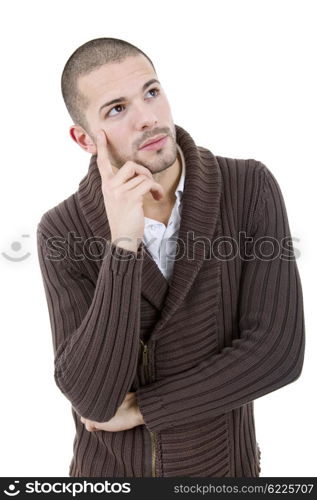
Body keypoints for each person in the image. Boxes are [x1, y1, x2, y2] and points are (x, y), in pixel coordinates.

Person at [36, 37, 305, 478]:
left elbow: (277, 353)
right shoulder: (61, 230)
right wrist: (122, 244)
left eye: (152, 92)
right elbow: (93, 400)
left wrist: (147, 407)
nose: (149, 118)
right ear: (84, 139)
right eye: (117, 109)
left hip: (224, 475)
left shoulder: (249, 186)